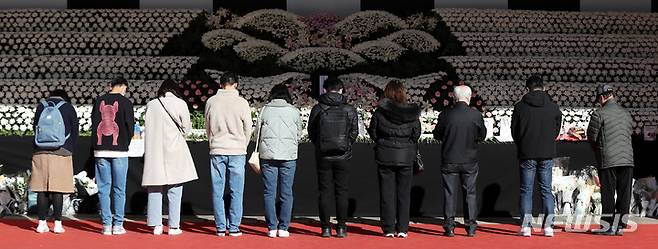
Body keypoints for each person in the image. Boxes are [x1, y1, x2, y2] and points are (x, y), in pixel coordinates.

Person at [142, 79, 198, 236]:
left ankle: (156, 225)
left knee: (154, 187)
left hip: (155, 150)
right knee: (175, 188)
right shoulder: (180, 104)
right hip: (174, 149)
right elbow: (186, 128)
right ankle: (174, 225)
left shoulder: (152, 105)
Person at [367, 80, 421, 238]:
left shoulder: (379, 112)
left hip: (385, 155)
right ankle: (403, 228)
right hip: (406, 156)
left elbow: (373, 133)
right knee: (404, 194)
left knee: (386, 193)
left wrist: (383, 142)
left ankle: (389, 228)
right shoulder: (412, 113)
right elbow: (416, 134)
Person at [511, 75, 562, 237]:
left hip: (527, 152)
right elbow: (557, 128)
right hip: (546, 152)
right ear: (543, 87)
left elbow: (514, 131)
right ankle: (548, 226)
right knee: (546, 190)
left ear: (528, 88)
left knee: (526, 190)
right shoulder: (553, 107)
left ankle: (526, 227)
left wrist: (522, 142)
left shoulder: (520, 107)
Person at [308, 76, 358, 238]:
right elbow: (354, 132)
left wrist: (321, 144)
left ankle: (326, 228)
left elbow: (311, 132)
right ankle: (342, 227)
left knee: (324, 191)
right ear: (341, 89)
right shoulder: (349, 109)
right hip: (343, 154)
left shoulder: (318, 108)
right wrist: (345, 145)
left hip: (323, 155)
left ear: (325, 89)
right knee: (342, 191)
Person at [432, 85, 486, 237]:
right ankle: (471, 227)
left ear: (453, 97)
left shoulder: (445, 114)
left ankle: (449, 226)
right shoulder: (475, 115)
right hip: (469, 159)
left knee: (449, 193)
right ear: (469, 97)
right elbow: (482, 136)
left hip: (449, 158)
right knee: (470, 193)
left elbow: (437, 134)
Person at [205, 72, 253, 237]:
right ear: (236, 84)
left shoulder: (211, 101)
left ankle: (220, 226)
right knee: (236, 191)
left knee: (217, 190)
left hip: (217, 149)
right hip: (237, 150)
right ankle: (234, 227)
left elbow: (208, 126)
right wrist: (243, 144)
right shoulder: (241, 102)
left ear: (221, 84)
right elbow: (248, 127)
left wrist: (212, 143)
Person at [255, 84, 303, 238]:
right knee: (286, 192)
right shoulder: (294, 111)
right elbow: (299, 134)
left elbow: (257, 133)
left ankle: (271, 227)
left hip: (268, 155)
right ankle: (283, 227)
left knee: (269, 192)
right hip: (288, 156)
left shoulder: (264, 110)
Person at [587, 84, 634, 236]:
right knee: (624, 193)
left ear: (601, 98)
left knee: (608, 193)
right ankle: (620, 225)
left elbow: (592, 137)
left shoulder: (598, 113)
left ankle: (607, 226)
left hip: (608, 159)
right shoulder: (626, 113)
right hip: (627, 159)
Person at [31, 89, 79, 234]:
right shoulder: (68, 108)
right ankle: (57, 224)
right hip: (61, 152)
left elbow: (35, 128)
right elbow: (75, 131)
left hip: (40, 151)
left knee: (42, 189)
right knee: (58, 189)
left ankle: (41, 223)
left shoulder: (41, 106)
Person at [91, 77, 135, 235]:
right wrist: (125, 141)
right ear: (123, 86)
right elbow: (130, 127)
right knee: (119, 188)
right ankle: (118, 224)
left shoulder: (99, 101)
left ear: (111, 86)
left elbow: (94, 123)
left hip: (101, 150)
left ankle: (106, 225)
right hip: (120, 151)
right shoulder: (126, 103)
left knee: (103, 188)